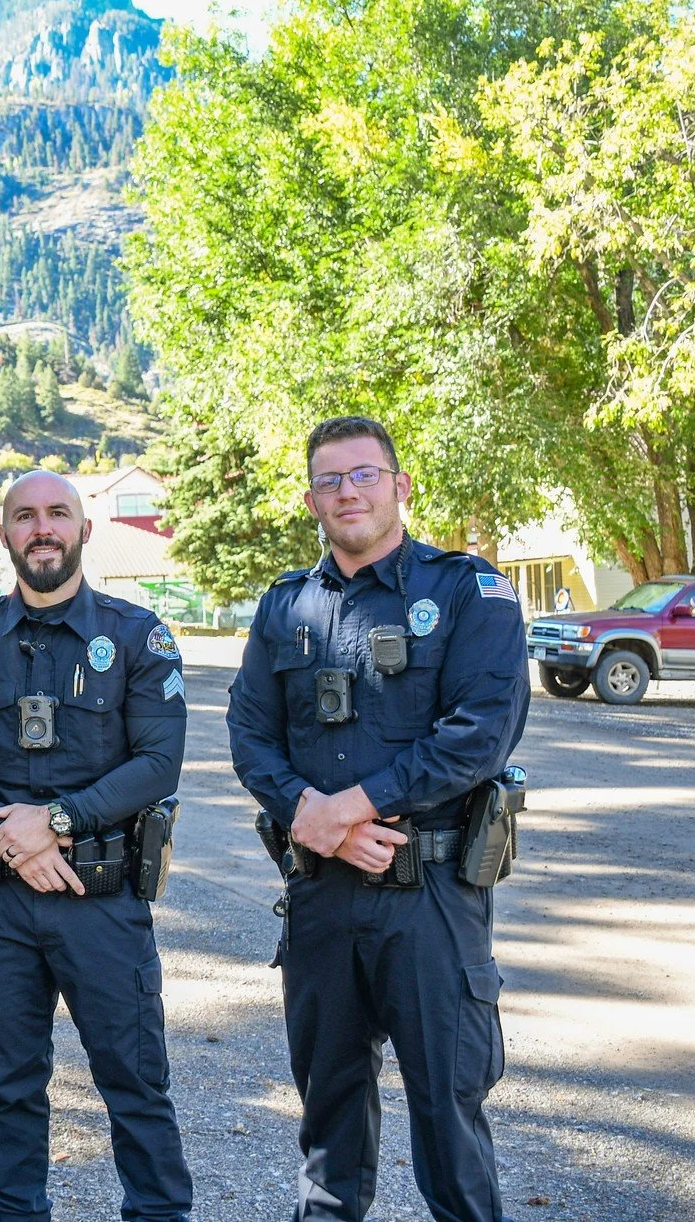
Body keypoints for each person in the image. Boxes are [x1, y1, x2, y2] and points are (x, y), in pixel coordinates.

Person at [227, 416, 529, 1222]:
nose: (347, 491)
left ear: (399, 486)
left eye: (364, 474)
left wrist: (344, 808)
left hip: (430, 897)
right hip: (323, 897)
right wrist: (305, 815)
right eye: (330, 480)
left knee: (450, 1121)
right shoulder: (285, 605)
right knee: (328, 1129)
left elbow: (480, 733)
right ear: (310, 500)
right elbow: (250, 735)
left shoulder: (468, 592)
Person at [0, 469, 193, 1222]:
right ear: (4, 533)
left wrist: (58, 821)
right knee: (9, 1090)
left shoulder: (138, 635)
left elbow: (157, 762)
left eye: (57, 514)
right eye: (24, 516)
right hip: (1, 905)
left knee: (135, 1085)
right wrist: (15, 840)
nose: (41, 527)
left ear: (83, 529)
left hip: (101, 904)